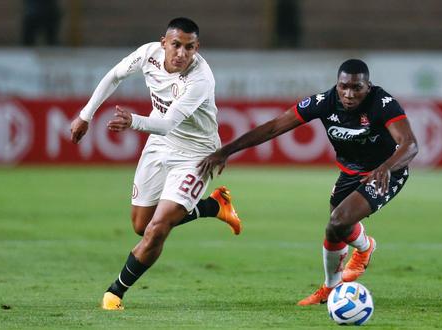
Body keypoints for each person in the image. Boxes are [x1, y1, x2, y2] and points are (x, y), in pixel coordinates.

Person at [198, 59, 418, 305]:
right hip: (350, 172)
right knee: (338, 229)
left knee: (336, 221)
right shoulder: (324, 103)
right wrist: (227, 150)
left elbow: (410, 144)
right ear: (337, 84)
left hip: (386, 172)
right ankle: (365, 248)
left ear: (368, 87)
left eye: (357, 88)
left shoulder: (382, 104)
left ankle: (330, 290)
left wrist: (386, 167)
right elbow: (273, 127)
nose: (349, 93)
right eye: (343, 86)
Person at [69, 17, 242, 310]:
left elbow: (167, 123)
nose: (182, 53)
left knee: (157, 230)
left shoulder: (200, 78)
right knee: (141, 225)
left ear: (196, 47)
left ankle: (115, 293)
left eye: (189, 47)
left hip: (196, 154)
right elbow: (114, 75)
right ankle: (214, 206)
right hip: (160, 145)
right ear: (164, 43)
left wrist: (133, 121)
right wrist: (86, 115)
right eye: (176, 45)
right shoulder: (148, 54)